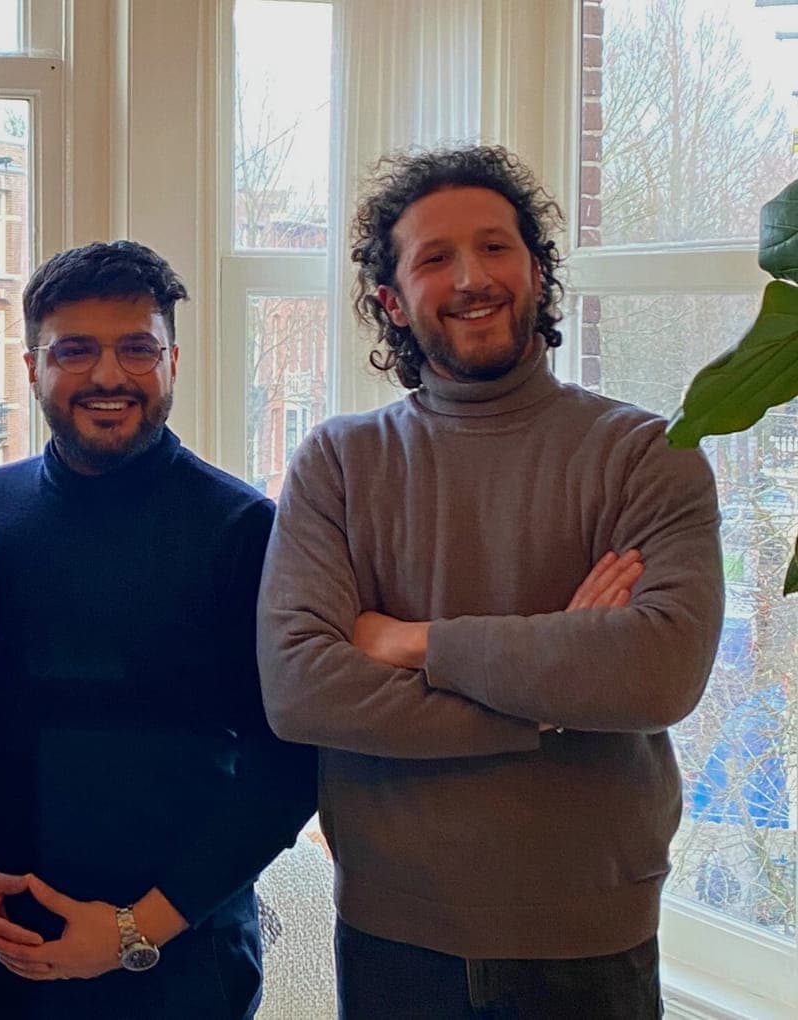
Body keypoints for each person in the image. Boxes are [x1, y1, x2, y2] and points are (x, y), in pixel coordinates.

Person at [257, 144, 724, 1019]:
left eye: (496, 247)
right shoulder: (339, 463)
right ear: (392, 301)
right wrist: (551, 699)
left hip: (592, 937)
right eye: (435, 258)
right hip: (392, 932)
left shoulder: (645, 455)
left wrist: (412, 642)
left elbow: (658, 672)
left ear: (538, 271)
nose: (472, 278)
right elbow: (301, 689)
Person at [0, 240, 317, 1019]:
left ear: (172, 362)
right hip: (3, 946)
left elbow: (288, 763)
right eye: (75, 351)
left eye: (137, 349)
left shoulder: (244, 530)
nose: (107, 375)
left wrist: (134, 931)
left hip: (184, 948)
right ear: (32, 367)